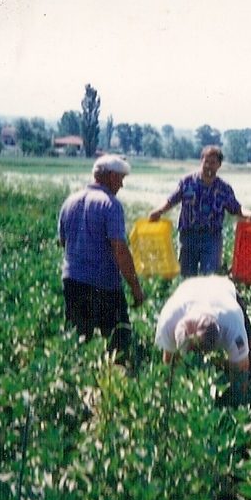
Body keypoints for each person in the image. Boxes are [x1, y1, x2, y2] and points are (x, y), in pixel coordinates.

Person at [58, 154, 145, 363]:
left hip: (72, 280)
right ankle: (118, 382)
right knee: (119, 340)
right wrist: (135, 287)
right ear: (111, 176)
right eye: (121, 178)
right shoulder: (111, 205)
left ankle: (78, 384)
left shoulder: (69, 201)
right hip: (103, 285)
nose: (122, 184)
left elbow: (62, 241)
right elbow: (120, 250)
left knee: (79, 340)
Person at [154, 275, 251, 414]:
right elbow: (169, 366)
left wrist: (237, 411)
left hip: (223, 290)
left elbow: (241, 372)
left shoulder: (232, 324)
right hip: (189, 289)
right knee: (184, 370)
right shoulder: (168, 324)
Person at [148, 145, 251, 277]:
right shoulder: (187, 182)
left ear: (219, 165)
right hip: (188, 236)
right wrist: (158, 211)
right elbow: (171, 200)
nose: (208, 165)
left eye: (213, 163)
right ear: (201, 161)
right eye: (206, 161)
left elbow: (236, 208)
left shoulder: (224, 188)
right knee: (187, 277)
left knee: (210, 278)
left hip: (212, 238)